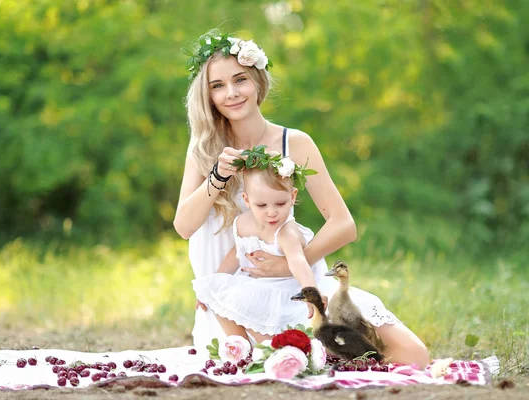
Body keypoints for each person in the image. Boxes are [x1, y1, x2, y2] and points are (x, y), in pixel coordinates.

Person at [173, 31, 430, 368]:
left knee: (413, 355)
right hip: (234, 302)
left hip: (297, 283)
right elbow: (183, 226)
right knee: (292, 360)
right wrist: (218, 177)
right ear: (206, 95)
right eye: (218, 85)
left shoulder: (294, 143)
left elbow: (343, 224)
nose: (232, 93)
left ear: (259, 82)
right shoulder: (204, 149)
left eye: (240, 80)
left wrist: (289, 262)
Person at [192, 155, 325, 343]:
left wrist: (311, 292)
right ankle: (238, 344)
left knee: (269, 332)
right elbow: (237, 254)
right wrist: (215, 281)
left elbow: (298, 261)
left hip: (285, 289)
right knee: (216, 293)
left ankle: (266, 347)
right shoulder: (243, 223)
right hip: (256, 284)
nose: (271, 212)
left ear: (293, 196)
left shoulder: (287, 232)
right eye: (261, 205)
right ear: (246, 200)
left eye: (280, 204)